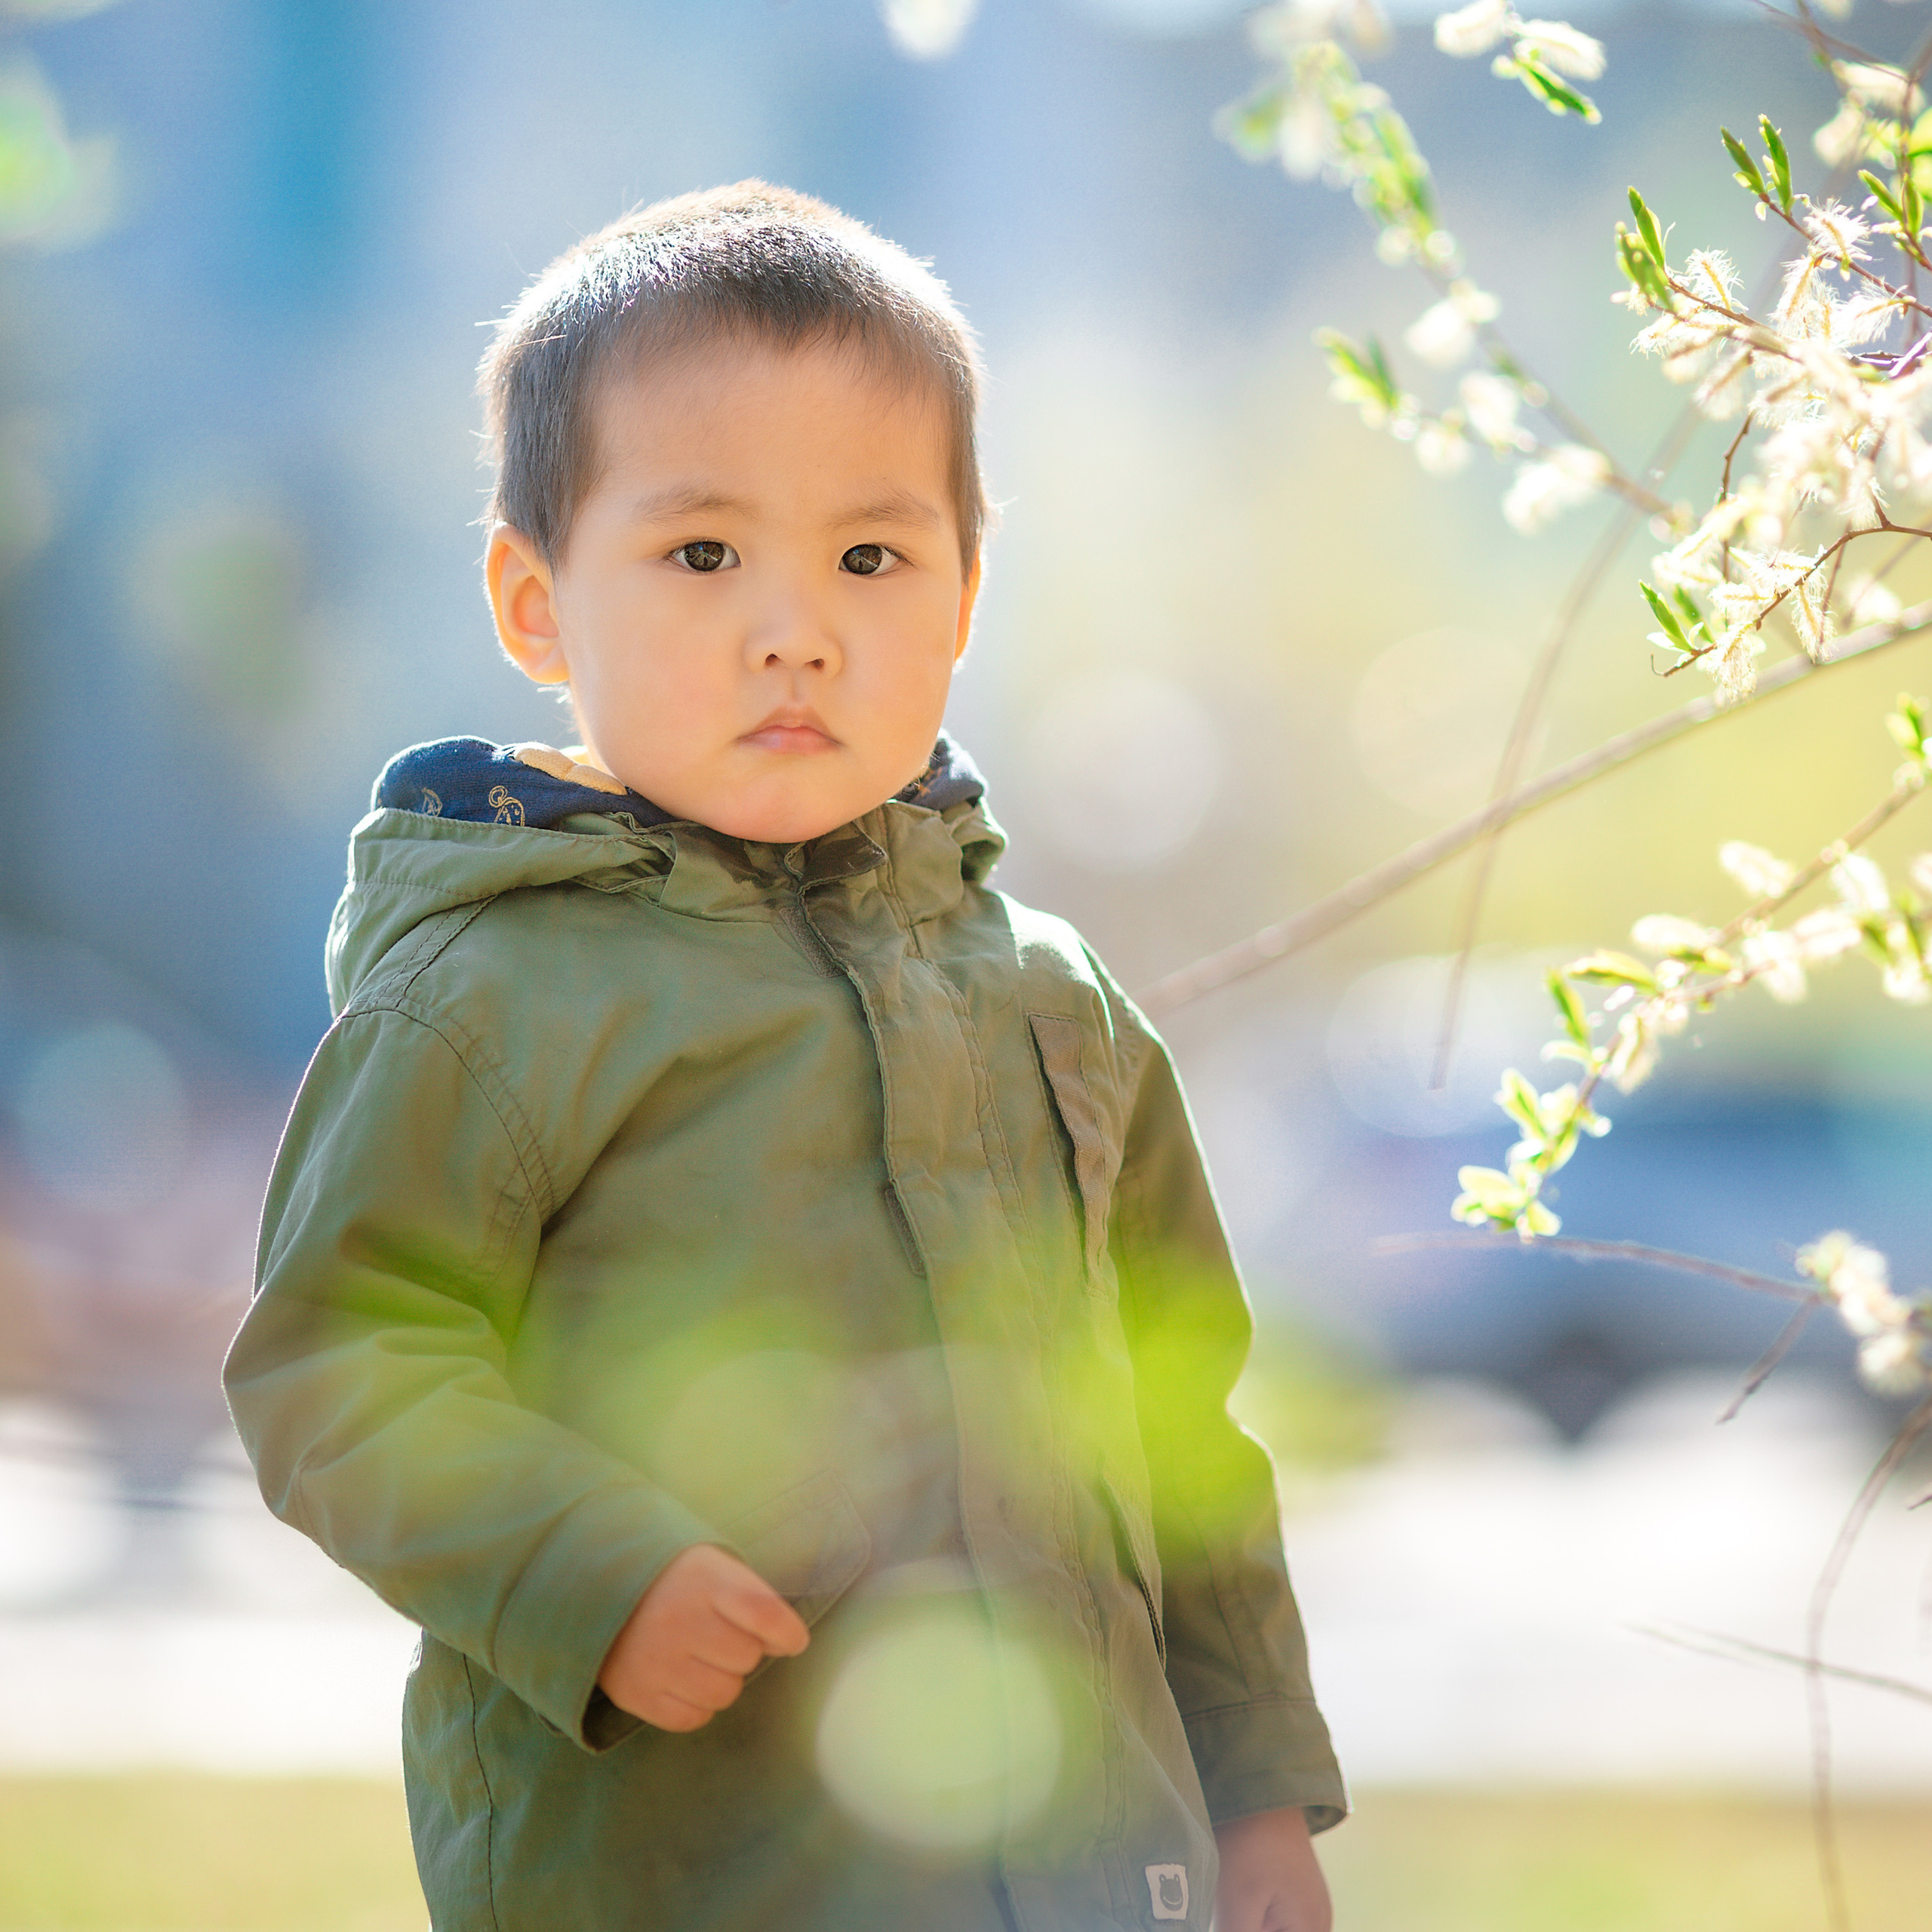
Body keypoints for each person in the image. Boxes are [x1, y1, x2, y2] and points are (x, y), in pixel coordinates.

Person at [224, 180, 1344, 1932]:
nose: (794, 626)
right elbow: (340, 1366)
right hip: (688, 1864)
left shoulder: (1062, 1008)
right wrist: (584, 1573)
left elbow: (1177, 1422)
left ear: (965, 592)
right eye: (700, 554)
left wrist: (1255, 1800)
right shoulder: (491, 997)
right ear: (534, 602)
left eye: (870, 556)